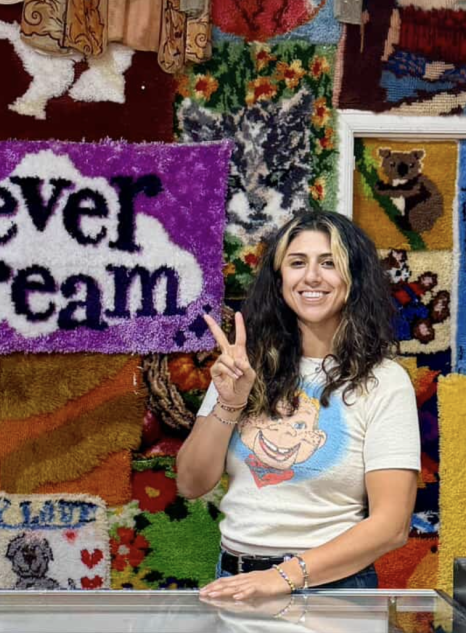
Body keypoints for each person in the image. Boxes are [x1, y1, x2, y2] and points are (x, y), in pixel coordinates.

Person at [179, 209, 420, 601]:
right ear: (279, 280)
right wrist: (229, 404)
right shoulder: (244, 367)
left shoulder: (384, 381)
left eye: (329, 263)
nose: (311, 277)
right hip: (237, 580)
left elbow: (391, 525)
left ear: (354, 278)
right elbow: (191, 483)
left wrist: (283, 577)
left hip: (332, 589)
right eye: (297, 263)